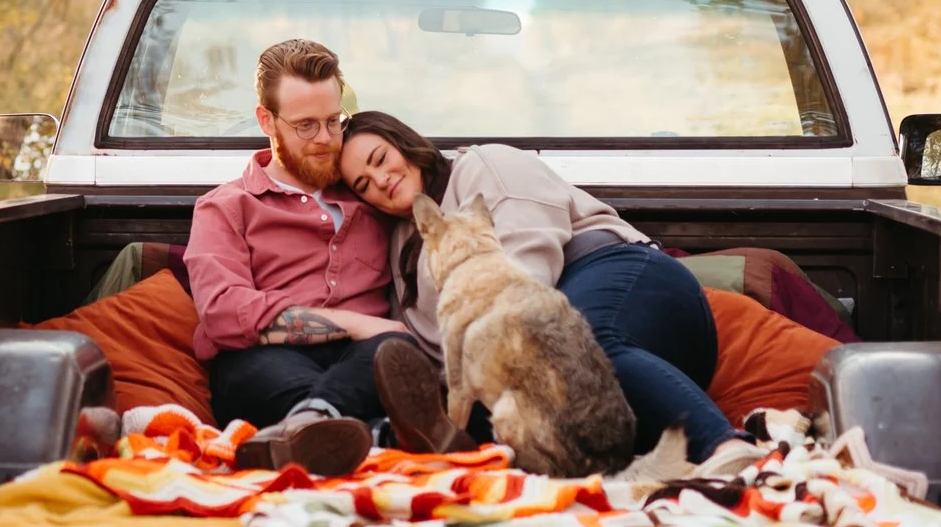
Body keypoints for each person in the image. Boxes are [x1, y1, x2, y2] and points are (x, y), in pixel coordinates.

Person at [336, 110, 738, 464]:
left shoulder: (482, 166)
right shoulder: (400, 250)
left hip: (627, 281)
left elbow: (527, 277)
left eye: (380, 159)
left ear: (404, 143)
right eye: (363, 185)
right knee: (495, 414)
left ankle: (727, 448)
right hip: (573, 392)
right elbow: (438, 349)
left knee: (575, 338)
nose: (380, 180)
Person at [182, 41, 453, 475]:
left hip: (367, 359)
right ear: (266, 120)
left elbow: (438, 186)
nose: (325, 139)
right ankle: (379, 436)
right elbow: (222, 312)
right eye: (306, 126)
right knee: (255, 373)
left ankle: (309, 431)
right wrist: (356, 323)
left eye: (333, 121)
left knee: (395, 350)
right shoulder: (226, 206)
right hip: (265, 359)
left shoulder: (371, 191)